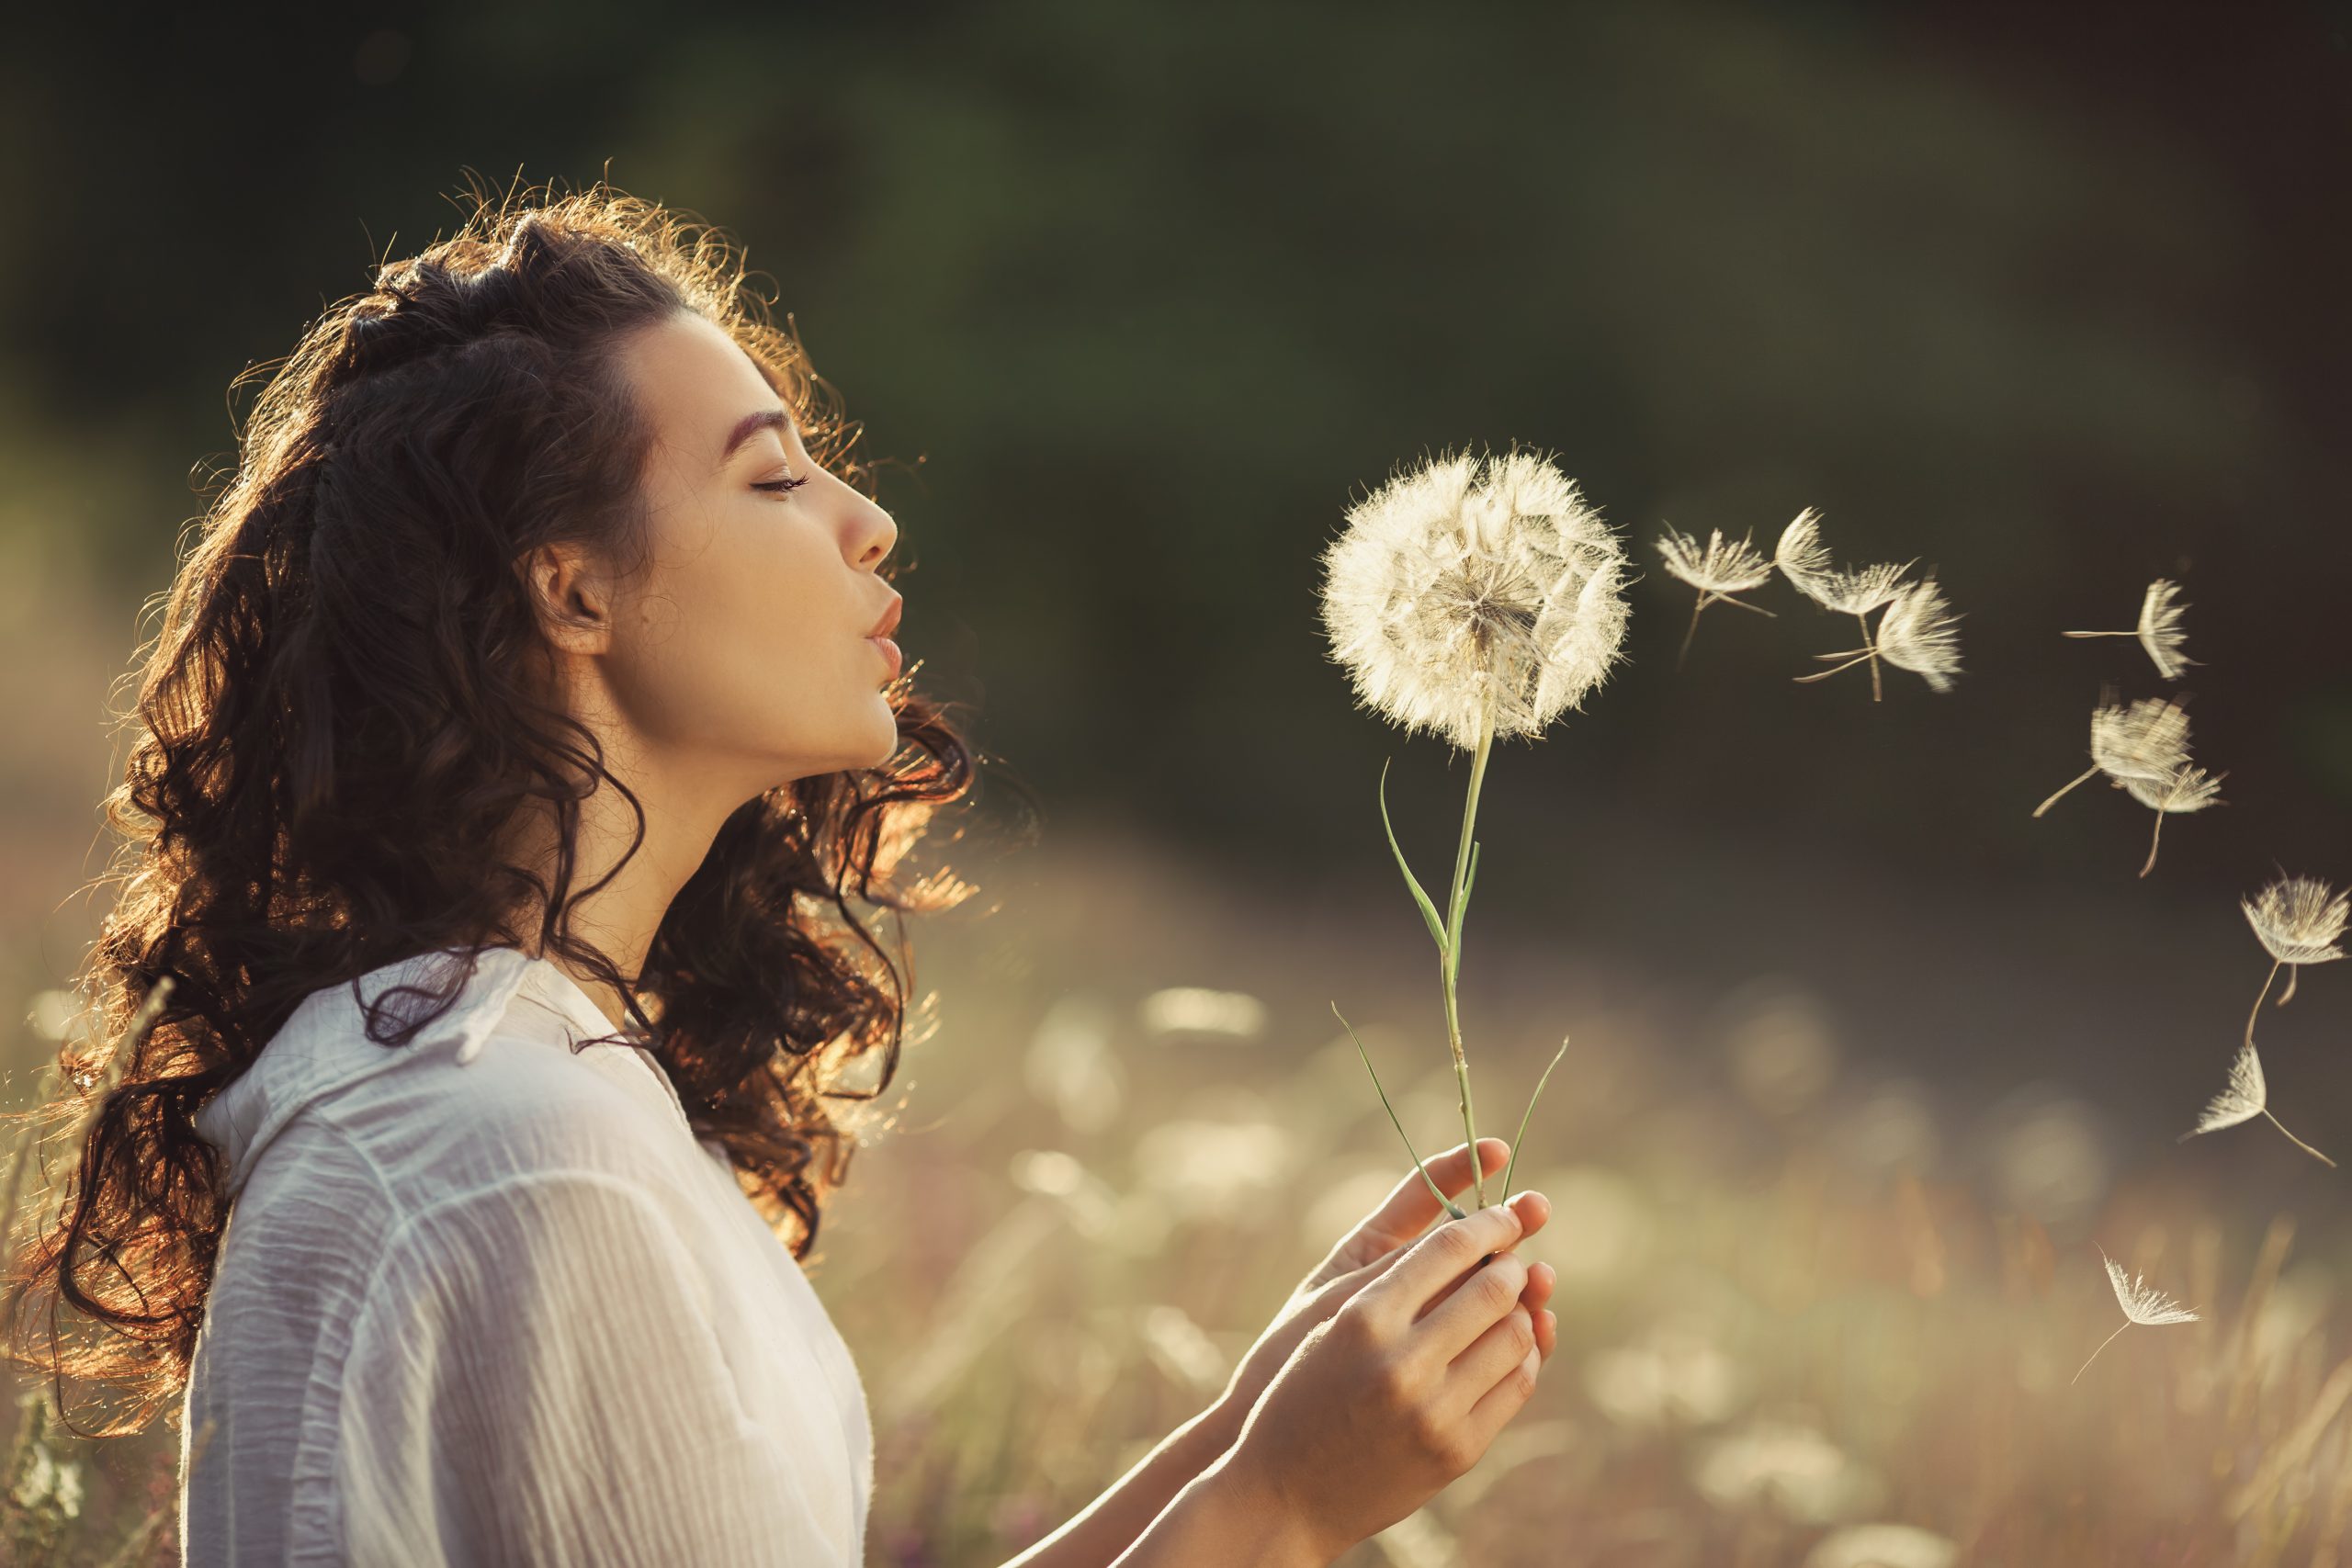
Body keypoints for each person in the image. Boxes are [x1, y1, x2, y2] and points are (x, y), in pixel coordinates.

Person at [0, 175, 1557, 1565]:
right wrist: (1280, 1516)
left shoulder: (505, 1080)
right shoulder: (524, 1156)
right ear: (572, 589)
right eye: (771, 479)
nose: (869, 522)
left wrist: (1239, 1437)